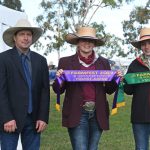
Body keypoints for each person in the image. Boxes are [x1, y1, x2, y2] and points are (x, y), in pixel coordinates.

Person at [52, 26, 122, 150]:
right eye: (83, 40)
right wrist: (59, 79)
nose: (87, 43)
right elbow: (58, 90)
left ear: (94, 44)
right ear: (78, 42)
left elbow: (109, 90)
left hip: (98, 112)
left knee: (93, 148)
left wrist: (116, 79)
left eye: (90, 41)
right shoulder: (65, 62)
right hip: (77, 113)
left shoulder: (104, 62)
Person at [0, 18, 50, 150]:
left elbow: (45, 91)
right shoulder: (3, 59)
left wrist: (43, 117)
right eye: (22, 34)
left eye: (29, 34)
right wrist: (6, 118)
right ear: (14, 38)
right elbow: (1, 91)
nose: (26, 38)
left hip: (34, 120)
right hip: (10, 120)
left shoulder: (40, 60)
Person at [124, 27, 150, 150]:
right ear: (140, 46)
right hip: (140, 116)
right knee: (141, 148)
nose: (147, 47)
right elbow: (128, 90)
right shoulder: (134, 64)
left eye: (149, 43)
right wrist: (123, 81)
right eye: (143, 44)